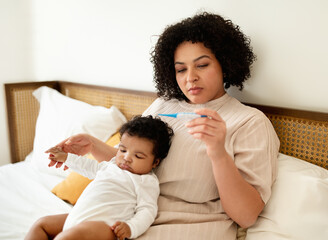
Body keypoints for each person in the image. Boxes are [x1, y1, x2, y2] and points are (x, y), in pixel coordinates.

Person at [47, 12, 280, 239]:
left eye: (202, 65)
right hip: (127, 215)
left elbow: (247, 216)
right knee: (44, 227)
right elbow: (130, 165)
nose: (190, 78)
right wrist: (92, 146)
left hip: (181, 226)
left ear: (225, 63)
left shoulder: (249, 122)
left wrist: (218, 153)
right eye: (181, 69)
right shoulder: (162, 106)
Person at [25, 115, 174, 240]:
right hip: (77, 218)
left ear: (155, 162)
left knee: (74, 234)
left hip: (106, 228)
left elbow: (147, 211)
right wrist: (66, 158)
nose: (126, 158)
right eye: (122, 150)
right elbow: (89, 166)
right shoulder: (111, 165)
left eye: (138, 156)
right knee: (42, 224)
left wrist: (131, 227)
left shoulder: (146, 181)